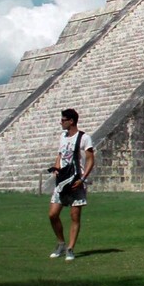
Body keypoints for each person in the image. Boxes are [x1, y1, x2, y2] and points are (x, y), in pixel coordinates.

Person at [48, 108, 94, 261]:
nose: (61, 122)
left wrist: (83, 178)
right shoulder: (63, 136)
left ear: (71, 121)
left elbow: (90, 159)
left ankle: (70, 248)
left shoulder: (84, 138)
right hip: (62, 180)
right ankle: (61, 243)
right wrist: (56, 168)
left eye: (63, 120)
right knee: (53, 214)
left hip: (76, 181)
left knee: (74, 216)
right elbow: (60, 155)